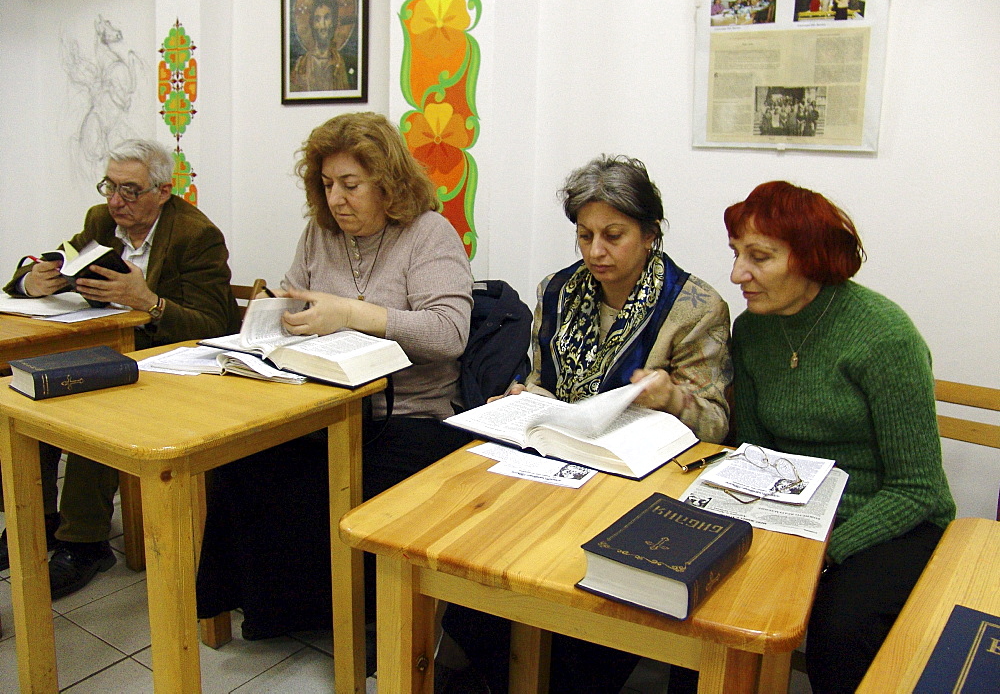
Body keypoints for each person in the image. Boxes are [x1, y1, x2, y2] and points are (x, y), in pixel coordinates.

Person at [441, 154, 733, 694]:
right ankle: (490, 669)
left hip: (637, 482)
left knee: (580, 623)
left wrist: (673, 398)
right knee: (474, 550)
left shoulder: (694, 307)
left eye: (613, 236)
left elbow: (715, 425)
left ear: (651, 234)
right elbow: (542, 379)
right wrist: (520, 398)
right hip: (558, 463)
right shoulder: (557, 290)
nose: (596, 252)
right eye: (584, 236)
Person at [195, 112, 473, 642]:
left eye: (351, 185)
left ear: (388, 183)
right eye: (327, 186)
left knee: (329, 486)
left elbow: (448, 333)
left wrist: (349, 312)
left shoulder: (428, 234)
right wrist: (271, 315)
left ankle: (348, 615)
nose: (337, 200)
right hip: (323, 406)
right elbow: (293, 296)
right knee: (243, 464)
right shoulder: (319, 234)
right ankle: (270, 610)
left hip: (412, 418)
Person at [724, 181, 955, 694]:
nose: (739, 273)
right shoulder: (752, 330)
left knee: (841, 626)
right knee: (711, 594)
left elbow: (918, 487)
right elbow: (761, 455)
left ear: (811, 258)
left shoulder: (883, 336)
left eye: (759, 257)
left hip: (890, 518)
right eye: (738, 254)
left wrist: (827, 553)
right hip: (800, 511)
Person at [2, 138, 240, 597]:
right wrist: (31, 282)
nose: (115, 201)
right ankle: (35, 519)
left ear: (164, 191)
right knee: (33, 390)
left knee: (95, 403)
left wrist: (147, 301)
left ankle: (85, 542)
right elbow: (55, 261)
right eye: (109, 186)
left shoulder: (196, 235)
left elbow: (215, 324)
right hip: (112, 347)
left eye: (130, 191)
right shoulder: (101, 221)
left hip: (174, 359)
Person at [290, 0, 351, 92]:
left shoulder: (339, 63)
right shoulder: (301, 64)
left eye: (326, 18)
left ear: (333, 21)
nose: (322, 26)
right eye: (317, 19)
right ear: (312, 24)